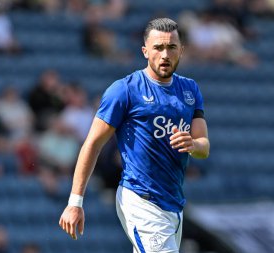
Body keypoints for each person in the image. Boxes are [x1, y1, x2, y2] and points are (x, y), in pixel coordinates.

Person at [59, 18, 210, 253]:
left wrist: (192, 144)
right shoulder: (125, 90)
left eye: (171, 47)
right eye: (158, 48)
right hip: (141, 199)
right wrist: (75, 202)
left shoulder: (190, 89)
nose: (165, 54)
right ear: (145, 51)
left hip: (173, 203)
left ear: (181, 50)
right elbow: (92, 144)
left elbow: (204, 147)